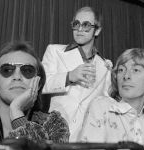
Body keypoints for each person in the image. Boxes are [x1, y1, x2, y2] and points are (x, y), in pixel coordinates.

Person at [0, 41, 70, 144]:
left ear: (39, 84)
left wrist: (16, 112)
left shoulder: (54, 125)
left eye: (27, 70)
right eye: (7, 70)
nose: (17, 77)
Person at [42, 6, 112, 142]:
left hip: (88, 139)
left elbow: (105, 104)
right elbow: (41, 84)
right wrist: (69, 77)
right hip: (56, 134)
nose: (80, 29)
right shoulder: (55, 51)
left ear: (97, 30)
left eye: (86, 25)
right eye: (76, 24)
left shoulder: (105, 66)